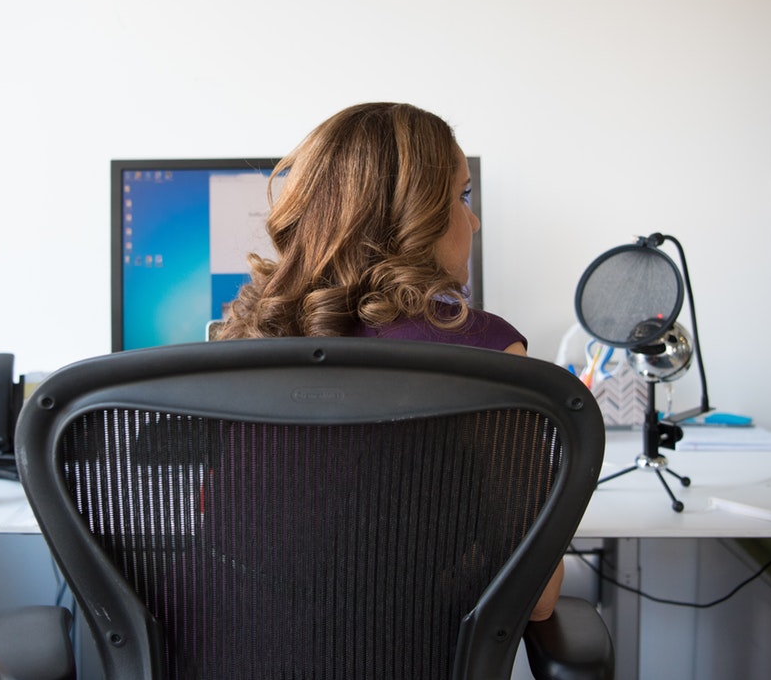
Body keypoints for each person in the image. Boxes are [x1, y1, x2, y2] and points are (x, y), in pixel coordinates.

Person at [217, 101, 563, 622]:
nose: (474, 219)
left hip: (224, 651)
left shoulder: (242, 342)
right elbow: (536, 600)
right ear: (414, 215)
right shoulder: (485, 355)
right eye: (461, 196)